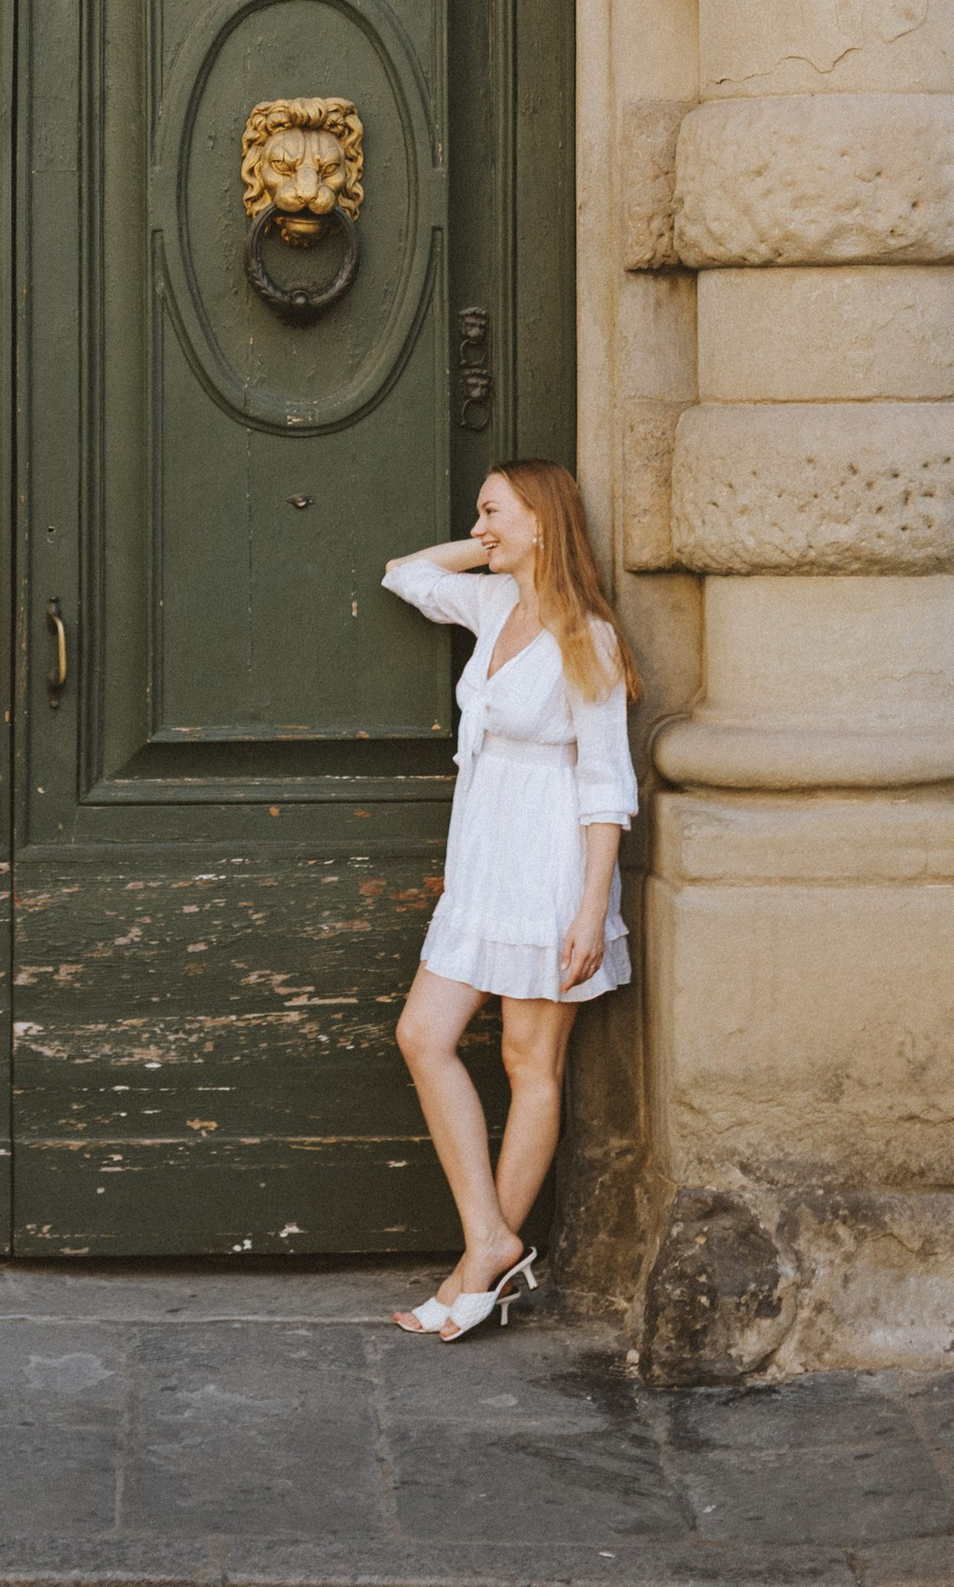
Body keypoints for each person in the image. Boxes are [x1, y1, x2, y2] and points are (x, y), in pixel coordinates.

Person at [382, 459, 640, 1342]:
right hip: (483, 864)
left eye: (493, 511)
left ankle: (473, 1273)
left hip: (551, 871)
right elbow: (405, 575)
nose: (478, 524)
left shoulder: (590, 637)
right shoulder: (492, 605)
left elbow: (608, 786)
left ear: (542, 519)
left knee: (532, 1067)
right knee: (425, 1035)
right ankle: (491, 1238)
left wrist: (590, 913)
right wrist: (492, 544)